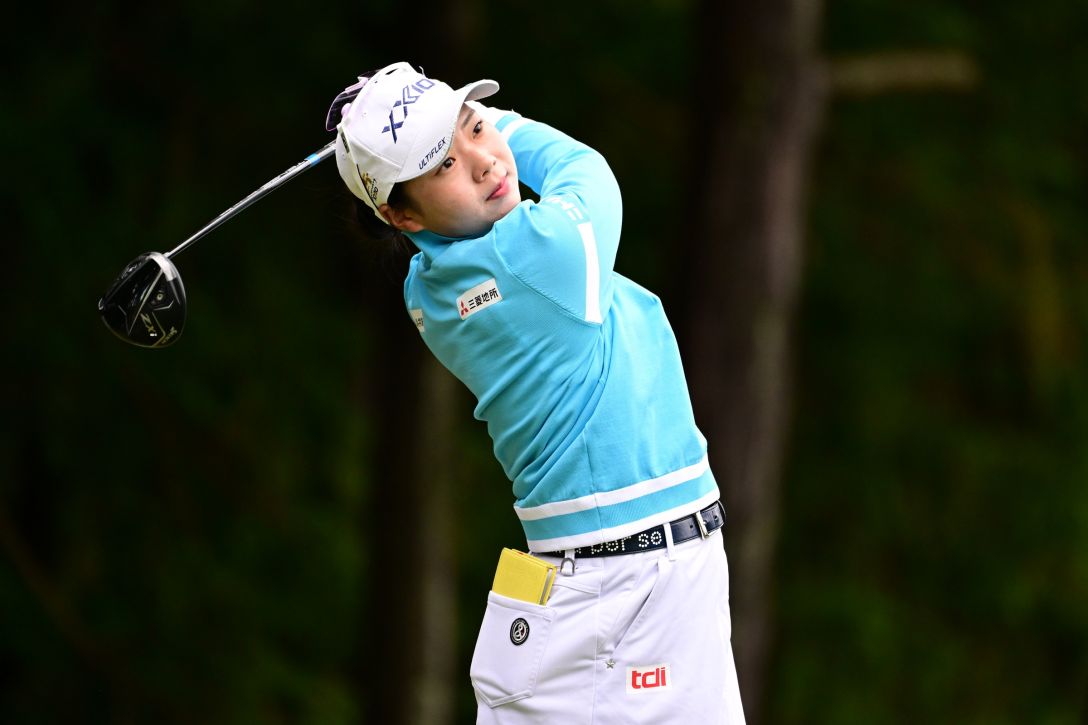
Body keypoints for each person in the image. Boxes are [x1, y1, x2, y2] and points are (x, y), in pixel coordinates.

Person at [328, 61, 746, 724]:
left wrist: (427, 129)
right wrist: (501, 124)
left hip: (604, 583)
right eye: (442, 164)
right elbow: (586, 170)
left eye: (475, 129)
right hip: (628, 587)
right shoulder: (539, 254)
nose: (483, 163)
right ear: (401, 215)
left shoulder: (428, 286)